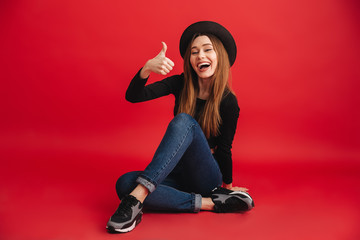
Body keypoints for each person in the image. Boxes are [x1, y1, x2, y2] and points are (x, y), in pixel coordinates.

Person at [106, 21, 254, 233]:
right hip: (179, 173)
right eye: (194, 52)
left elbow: (224, 148)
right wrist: (146, 68)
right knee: (124, 183)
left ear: (219, 56)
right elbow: (134, 96)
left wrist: (227, 186)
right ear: (190, 60)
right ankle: (210, 203)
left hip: (207, 176)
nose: (200, 56)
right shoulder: (180, 83)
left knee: (184, 121)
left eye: (207, 50)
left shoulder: (228, 101)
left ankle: (136, 201)